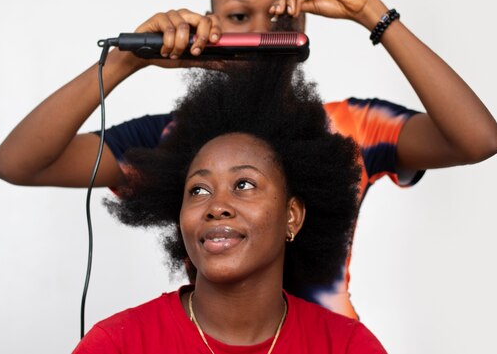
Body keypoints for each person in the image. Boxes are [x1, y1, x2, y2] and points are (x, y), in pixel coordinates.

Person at [0, 0, 497, 318]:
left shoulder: (353, 127)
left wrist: (372, 14)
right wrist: (126, 62)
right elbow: (18, 163)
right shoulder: (167, 139)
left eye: (282, 16)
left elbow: (477, 139)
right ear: (210, 21)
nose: (262, 32)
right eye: (238, 16)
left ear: (304, 25)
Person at [73, 59, 386, 353]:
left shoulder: (346, 345)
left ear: (292, 216)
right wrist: (124, 60)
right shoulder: (118, 344)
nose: (216, 206)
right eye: (198, 189)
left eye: (244, 185)